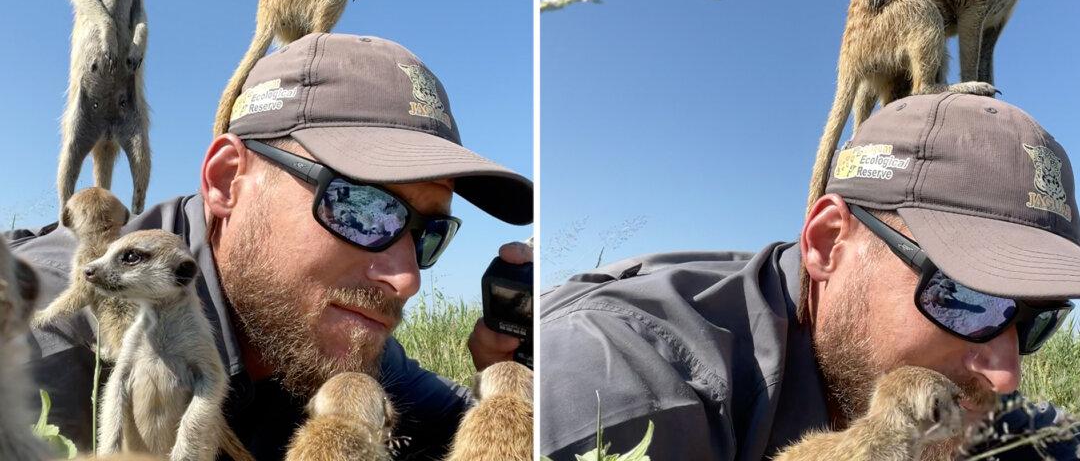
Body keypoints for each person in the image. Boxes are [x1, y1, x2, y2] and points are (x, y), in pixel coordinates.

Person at [12, 33, 533, 461]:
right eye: (363, 208)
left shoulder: (332, 327)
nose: (406, 278)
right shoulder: (43, 343)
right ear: (226, 181)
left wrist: (505, 372)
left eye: (428, 234)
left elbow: (464, 422)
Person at [540, 92, 1080, 460]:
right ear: (827, 244)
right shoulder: (620, 394)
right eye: (967, 299)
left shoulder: (939, 383)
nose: (1006, 374)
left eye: (1036, 320)